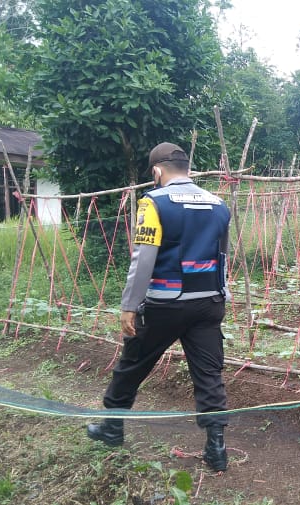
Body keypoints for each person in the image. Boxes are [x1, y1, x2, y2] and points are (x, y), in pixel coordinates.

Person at [87, 142, 232, 472]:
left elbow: (144, 259)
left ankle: (112, 427)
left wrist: (129, 305)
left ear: (156, 171)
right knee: (209, 373)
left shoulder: (153, 202)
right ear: (188, 169)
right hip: (209, 302)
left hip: (166, 304)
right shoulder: (218, 203)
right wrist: (220, 294)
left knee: (133, 363)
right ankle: (217, 448)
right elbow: (222, 255)